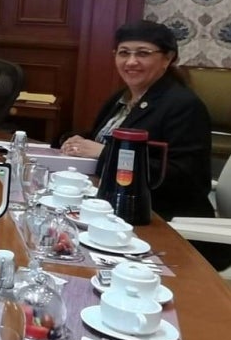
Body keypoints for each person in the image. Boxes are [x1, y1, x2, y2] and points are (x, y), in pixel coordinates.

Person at [61, 20, 216, 227]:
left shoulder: (184, 105)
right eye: (123, 53)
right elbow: (101, 137)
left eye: (143, 53)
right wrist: (74, 141)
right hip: (112, 206)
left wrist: (105, 153)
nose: (131, 61)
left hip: (160, 219)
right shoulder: (122, 98)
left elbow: (186, 178)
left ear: (167, 59)